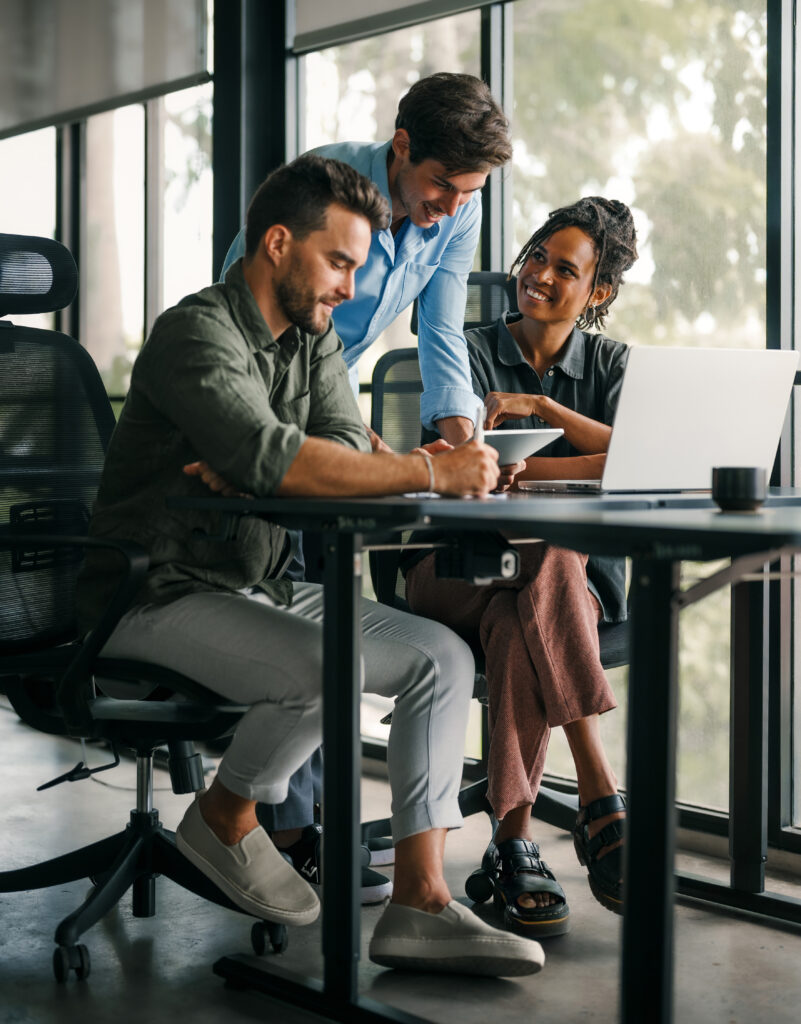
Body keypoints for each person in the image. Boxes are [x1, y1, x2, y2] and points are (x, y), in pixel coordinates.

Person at [76, 154, 544, 977]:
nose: (350, 287)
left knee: (442, 656)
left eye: (359, 268)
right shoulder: (196, 331)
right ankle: (224, 814)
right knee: (329, 668)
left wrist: (286, 458)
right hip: (155, 591)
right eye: (338, 262)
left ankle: (420, 902)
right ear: (279, 243)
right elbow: (279, 459)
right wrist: (417, 469)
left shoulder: (314, 339)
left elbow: (325, 448)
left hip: (261, 580)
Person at [219, 71, 513, 899]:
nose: (451, 206)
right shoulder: (320, 191)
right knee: (300, 621)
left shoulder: (460, 210)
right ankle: (289, 831)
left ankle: (303, 827)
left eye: (469, 193)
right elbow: (241, 314)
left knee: (331, 611)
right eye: (440, 186)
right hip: (264, 401)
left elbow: (441, 328)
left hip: (330, 395)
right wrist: (327, 433)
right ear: (402, 147)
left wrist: (461, 435)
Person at [403, 197, 639, 938]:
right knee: (542, 558)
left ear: (596, 292)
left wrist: (542, 409)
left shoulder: (608, 362)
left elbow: (635, 453)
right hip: (452, 570)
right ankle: (598, 788)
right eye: (535, 255)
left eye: (562, 270)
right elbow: (463, 463)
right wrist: (576, 464)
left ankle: (512, 842)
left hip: (565, 590)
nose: (536, 275)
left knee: (522, 614)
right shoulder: (463, 347)